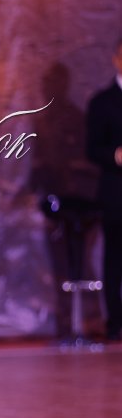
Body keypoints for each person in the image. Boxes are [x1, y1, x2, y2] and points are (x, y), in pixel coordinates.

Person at [86, 37, 122, 340]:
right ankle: (115, 323)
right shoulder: (102, 102)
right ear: (116, 59)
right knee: (115, 259)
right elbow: (91, 149)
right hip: (116, 193)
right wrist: (115, 155)